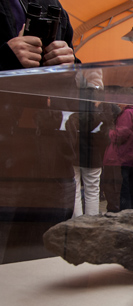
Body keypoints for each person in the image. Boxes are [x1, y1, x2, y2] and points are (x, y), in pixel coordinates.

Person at [0, 0, 78, 263]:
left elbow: (72, 86)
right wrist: (5, 56)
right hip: (6, 151)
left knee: (38, 254)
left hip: (47, 155)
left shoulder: (52, 6)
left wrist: (70, 65)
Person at [102, 88, 133, 212]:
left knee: (122, 191)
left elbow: (120, 135)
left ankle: (124, 218)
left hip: (122, 157)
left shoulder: (128, 113)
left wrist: (108, 132)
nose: (117, 103)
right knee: (132, 188)